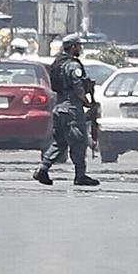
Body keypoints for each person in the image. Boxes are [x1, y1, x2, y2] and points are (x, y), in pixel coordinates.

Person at [35, 33, 98, 187]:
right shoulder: (73, 65)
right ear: (73, 47)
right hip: (71, 109)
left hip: (59, 107)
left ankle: (43, 168)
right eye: (79, 46)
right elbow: (78, 89)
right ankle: (80, 175)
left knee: (60, 142)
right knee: (79, 141)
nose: (80, 49)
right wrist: (87, 103)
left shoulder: (58, 63)